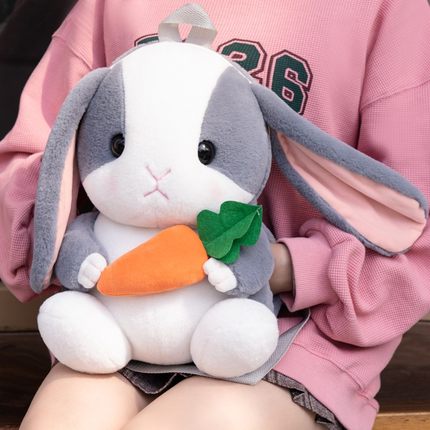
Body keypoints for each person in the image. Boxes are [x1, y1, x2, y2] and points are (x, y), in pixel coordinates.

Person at [0, 1, 429, 429]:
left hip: (295, 334)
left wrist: (276, 266)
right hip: (120, 321)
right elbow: (35, 158)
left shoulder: (390, 11)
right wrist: (86, 254)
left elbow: (411, 239)